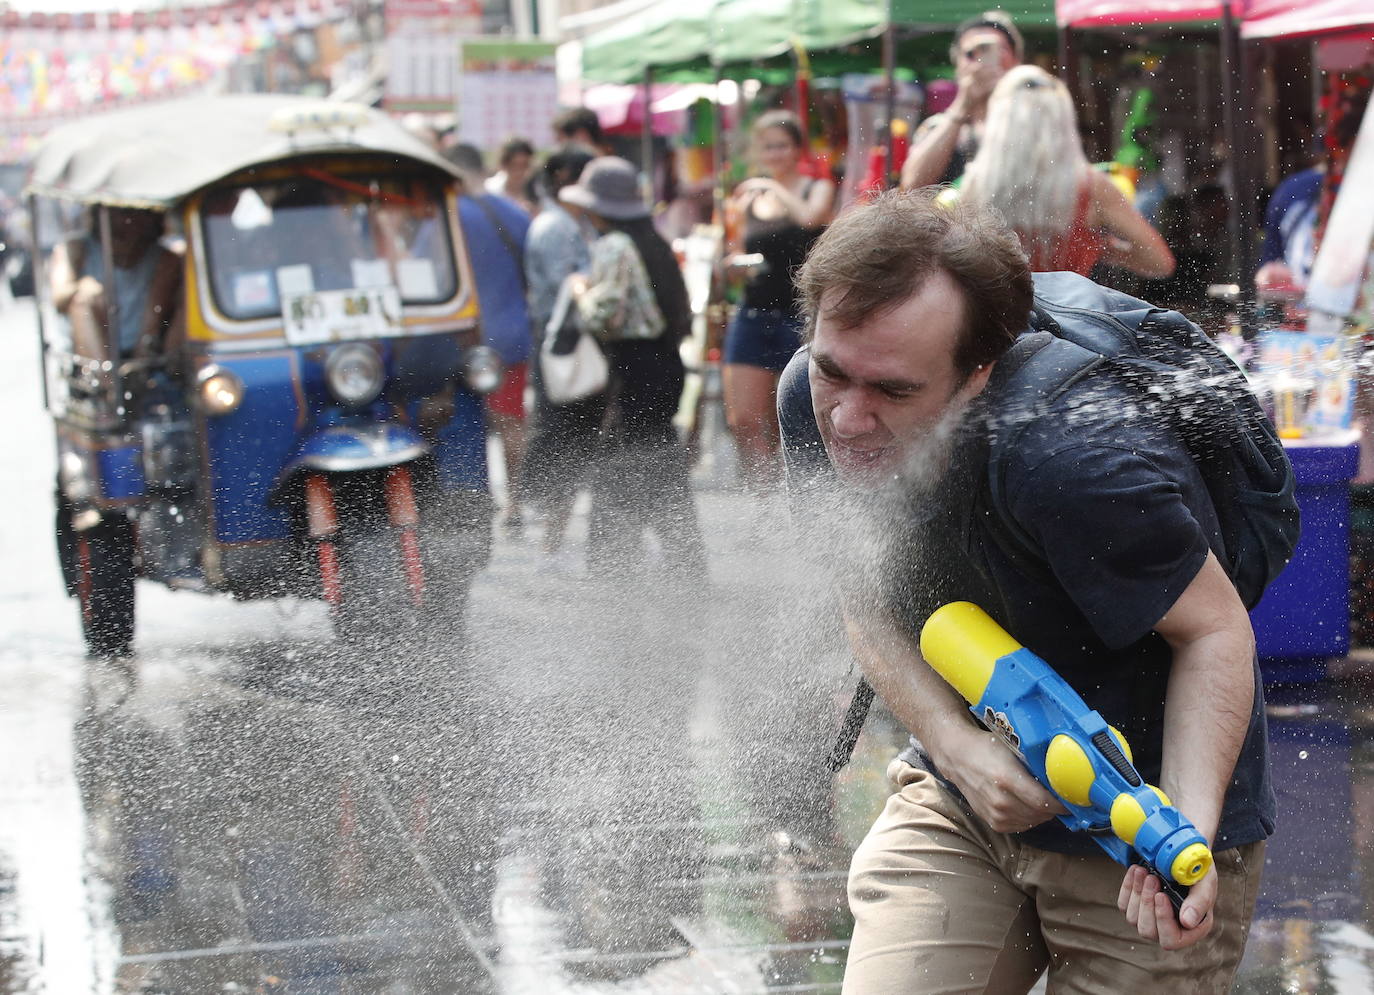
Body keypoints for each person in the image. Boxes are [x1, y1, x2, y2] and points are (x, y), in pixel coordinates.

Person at [778, 190, 1272, 991]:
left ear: (978, 374)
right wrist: (954, 745)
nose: (850, 418)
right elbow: (859, 585)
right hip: (962, 802)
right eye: (835, 370)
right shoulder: (813, 394)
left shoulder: (1073, 456)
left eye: (895, 392)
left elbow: (1215, 631)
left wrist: (1179, 834)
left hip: (1140, 824)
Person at [559, 156, 708, 581]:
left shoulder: (614, 246)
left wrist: (579, 290)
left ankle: (611, 563)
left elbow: (603, 313)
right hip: (662, 365)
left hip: (633, 368)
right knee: (659, 462)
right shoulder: (651, 242)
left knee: (621, 463)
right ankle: (685, 563)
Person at [960, 65, 1175, 278]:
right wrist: (1101, 249)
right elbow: (1159, 263)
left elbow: (960, 264)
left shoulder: (976, 185)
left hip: (1002, 311)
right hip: (1067, 310)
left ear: (999, 123)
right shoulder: (1091, 187)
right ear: (1063, 122)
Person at [723, 110, 835, 489]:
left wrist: (773, 188)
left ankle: (800, 497)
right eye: (767, 146)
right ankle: (764, 507)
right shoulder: (747, 197)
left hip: (800, 313)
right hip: (754, 311)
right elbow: (736, 246)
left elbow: (810, 218)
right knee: (744, 420)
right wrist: (733, 266)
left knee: (797, 417)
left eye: (781, 145)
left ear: (797, 148)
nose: (774, 154)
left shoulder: (813, 188)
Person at [518, 145, 598, 554]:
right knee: (563, 433)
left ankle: (554, 532)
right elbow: (568, 286)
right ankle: (550, 536)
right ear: (566, 177)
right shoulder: (555, 227)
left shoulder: (571, 223)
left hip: (570, 340)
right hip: (563, 343)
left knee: (570, 434)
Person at [899, 11, 1023, 190]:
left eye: (997, 49)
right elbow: (912, 185)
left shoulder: (1032, 119)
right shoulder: (938, 125)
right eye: (972, 53)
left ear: (1015, 61)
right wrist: (963, 106)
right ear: (957, 65)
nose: (983, 61)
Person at [49, 206, 181, 363]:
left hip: (142, 347)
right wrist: (83, 287)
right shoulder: (76, 248)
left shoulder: (165, 258)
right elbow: (58, 298)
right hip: (92, 353)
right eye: (124, 212)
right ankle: (107, 383)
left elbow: (155, 312)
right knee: (83, 301)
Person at [485, 137, 536, 214]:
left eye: (524, 165)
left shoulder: (538, 190)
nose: (519, 172)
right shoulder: (490, 189)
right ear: (503, 164)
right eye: (513, 165)